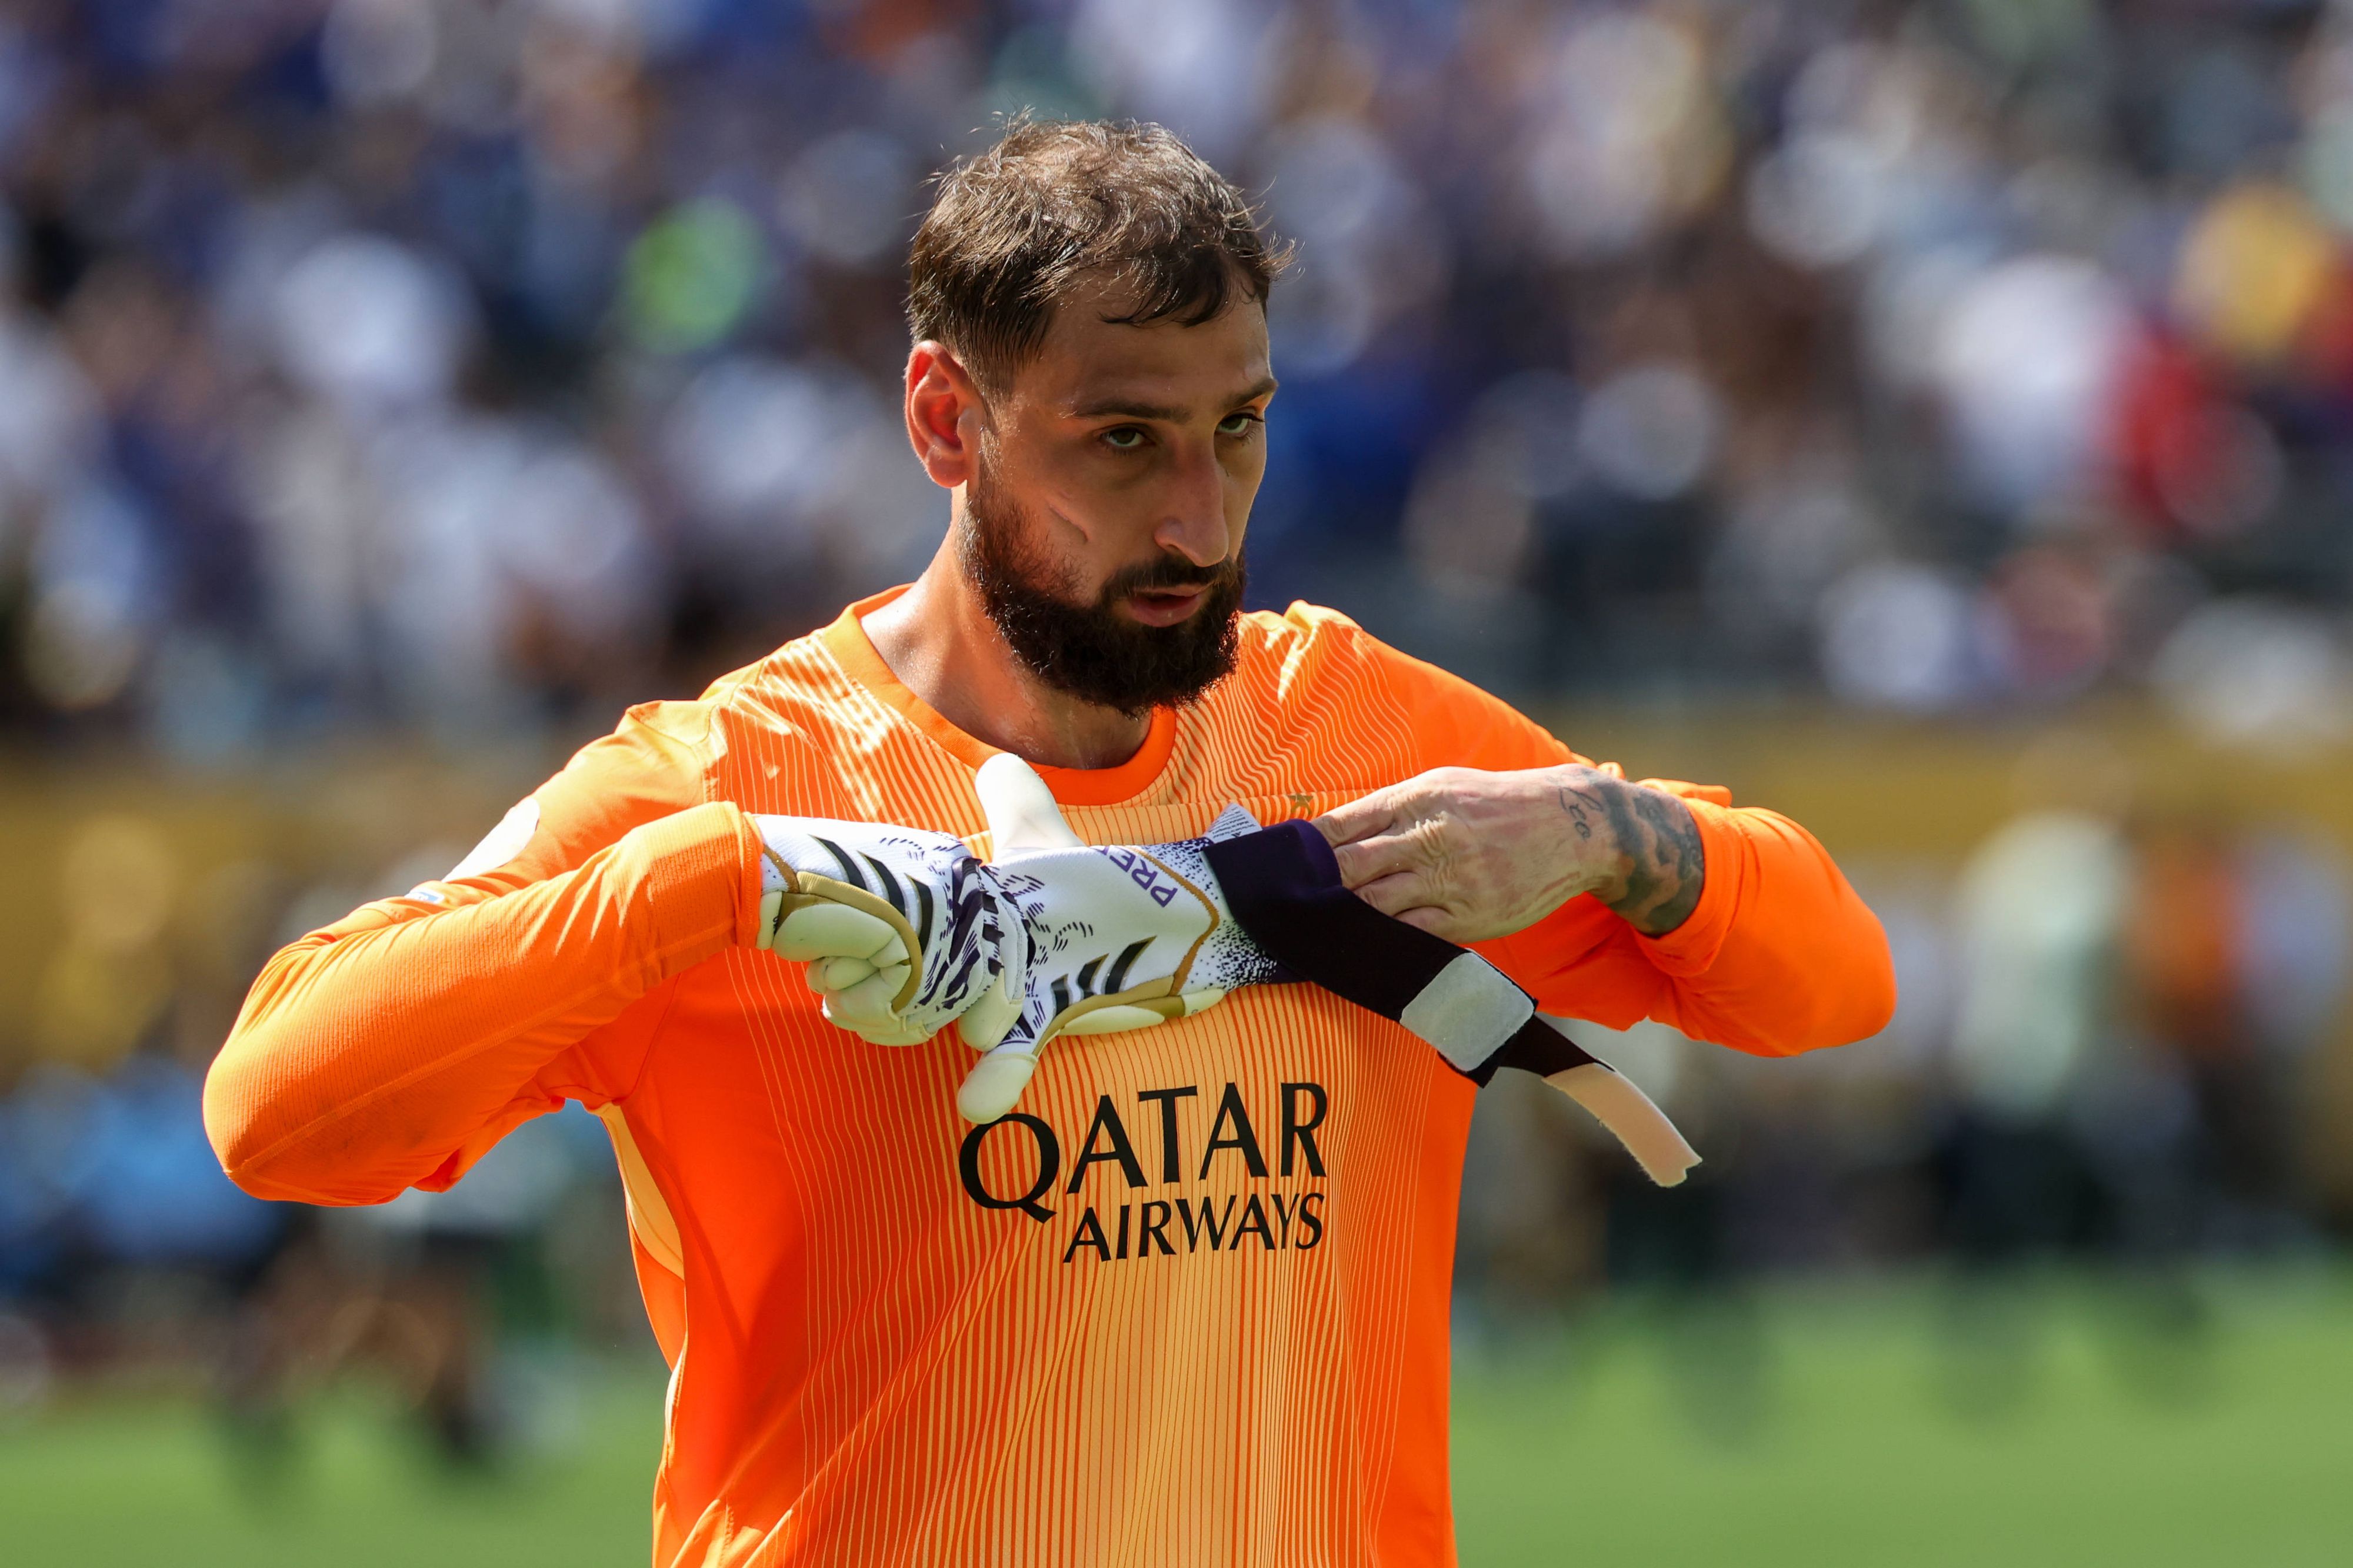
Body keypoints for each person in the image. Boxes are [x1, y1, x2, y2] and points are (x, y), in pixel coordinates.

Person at [204, 119, 1894, 1566]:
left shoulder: (1355, 726)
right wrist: (715, 884)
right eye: (1124, 438)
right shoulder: (727, 775)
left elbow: (1835, 984)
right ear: (947, 421)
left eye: (1237, 426)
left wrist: (1611, 830)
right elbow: (277, 1108)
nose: (1198, 516)